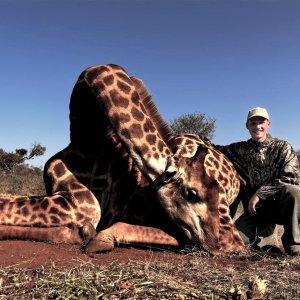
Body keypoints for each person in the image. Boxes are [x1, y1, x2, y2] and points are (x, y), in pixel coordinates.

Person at [215, 107, 300, 255]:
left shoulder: (282, 147)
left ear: (268, 124)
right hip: (255, 211)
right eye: (253, 123)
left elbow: (292, 177)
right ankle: (269, 237)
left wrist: (259, 194)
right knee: (237, 242)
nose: (257, 126)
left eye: (261, 122)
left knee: (294, 191)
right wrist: (192, 139)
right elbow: (214, 149)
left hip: (280, 207)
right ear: (247, 126)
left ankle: (294, 243)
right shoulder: (238, 149)